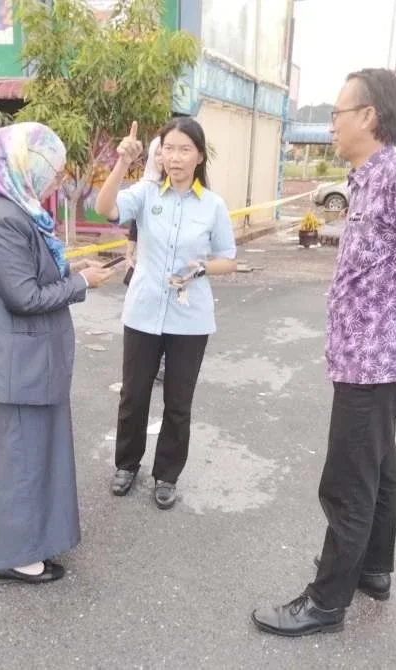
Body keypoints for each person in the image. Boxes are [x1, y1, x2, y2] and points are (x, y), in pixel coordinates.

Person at [251, 68, 396, 637]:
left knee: (347, 481)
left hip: (376, 362)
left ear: (368, 116)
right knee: (378, 469)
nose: (330, 125)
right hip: (364, 357)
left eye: (337, 113)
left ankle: (325, 603)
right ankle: (372, 568)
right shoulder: (366, 179)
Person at [0, 123, 115, 583]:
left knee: (27, 455)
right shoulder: (6, 217)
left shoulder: (10, 205)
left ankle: (25, 543)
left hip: (20, 361)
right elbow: (23, 297)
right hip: (14, 364)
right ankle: (15, 557)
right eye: (54, 171)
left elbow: (28, 273)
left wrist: (73, 267)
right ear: (26, 166)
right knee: (19, 461)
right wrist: (81, 283)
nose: (58, 180)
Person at [95, 118, 237, 510]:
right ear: (159, 155)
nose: (174, 157)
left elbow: (228, 260)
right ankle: (126, 464)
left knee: (178, 402)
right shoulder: (145, 194)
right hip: (143, 313)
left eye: (184, 149)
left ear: (199, 157)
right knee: (133, 395)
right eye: (168, 149)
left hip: (189, 320)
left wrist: (202, 267)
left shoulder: (212, 205)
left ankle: (167, 474)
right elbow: (104, 208)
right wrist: (122, 162)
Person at [124, 136, 167, 383]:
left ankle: (166, 361)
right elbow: (134, 223)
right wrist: (130, 250)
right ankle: (151, 361)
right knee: (147, 311)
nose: (162, 158)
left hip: (174, 273)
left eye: (166, 152)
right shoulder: (145, 188)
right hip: (148, 265)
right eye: (157, 153)